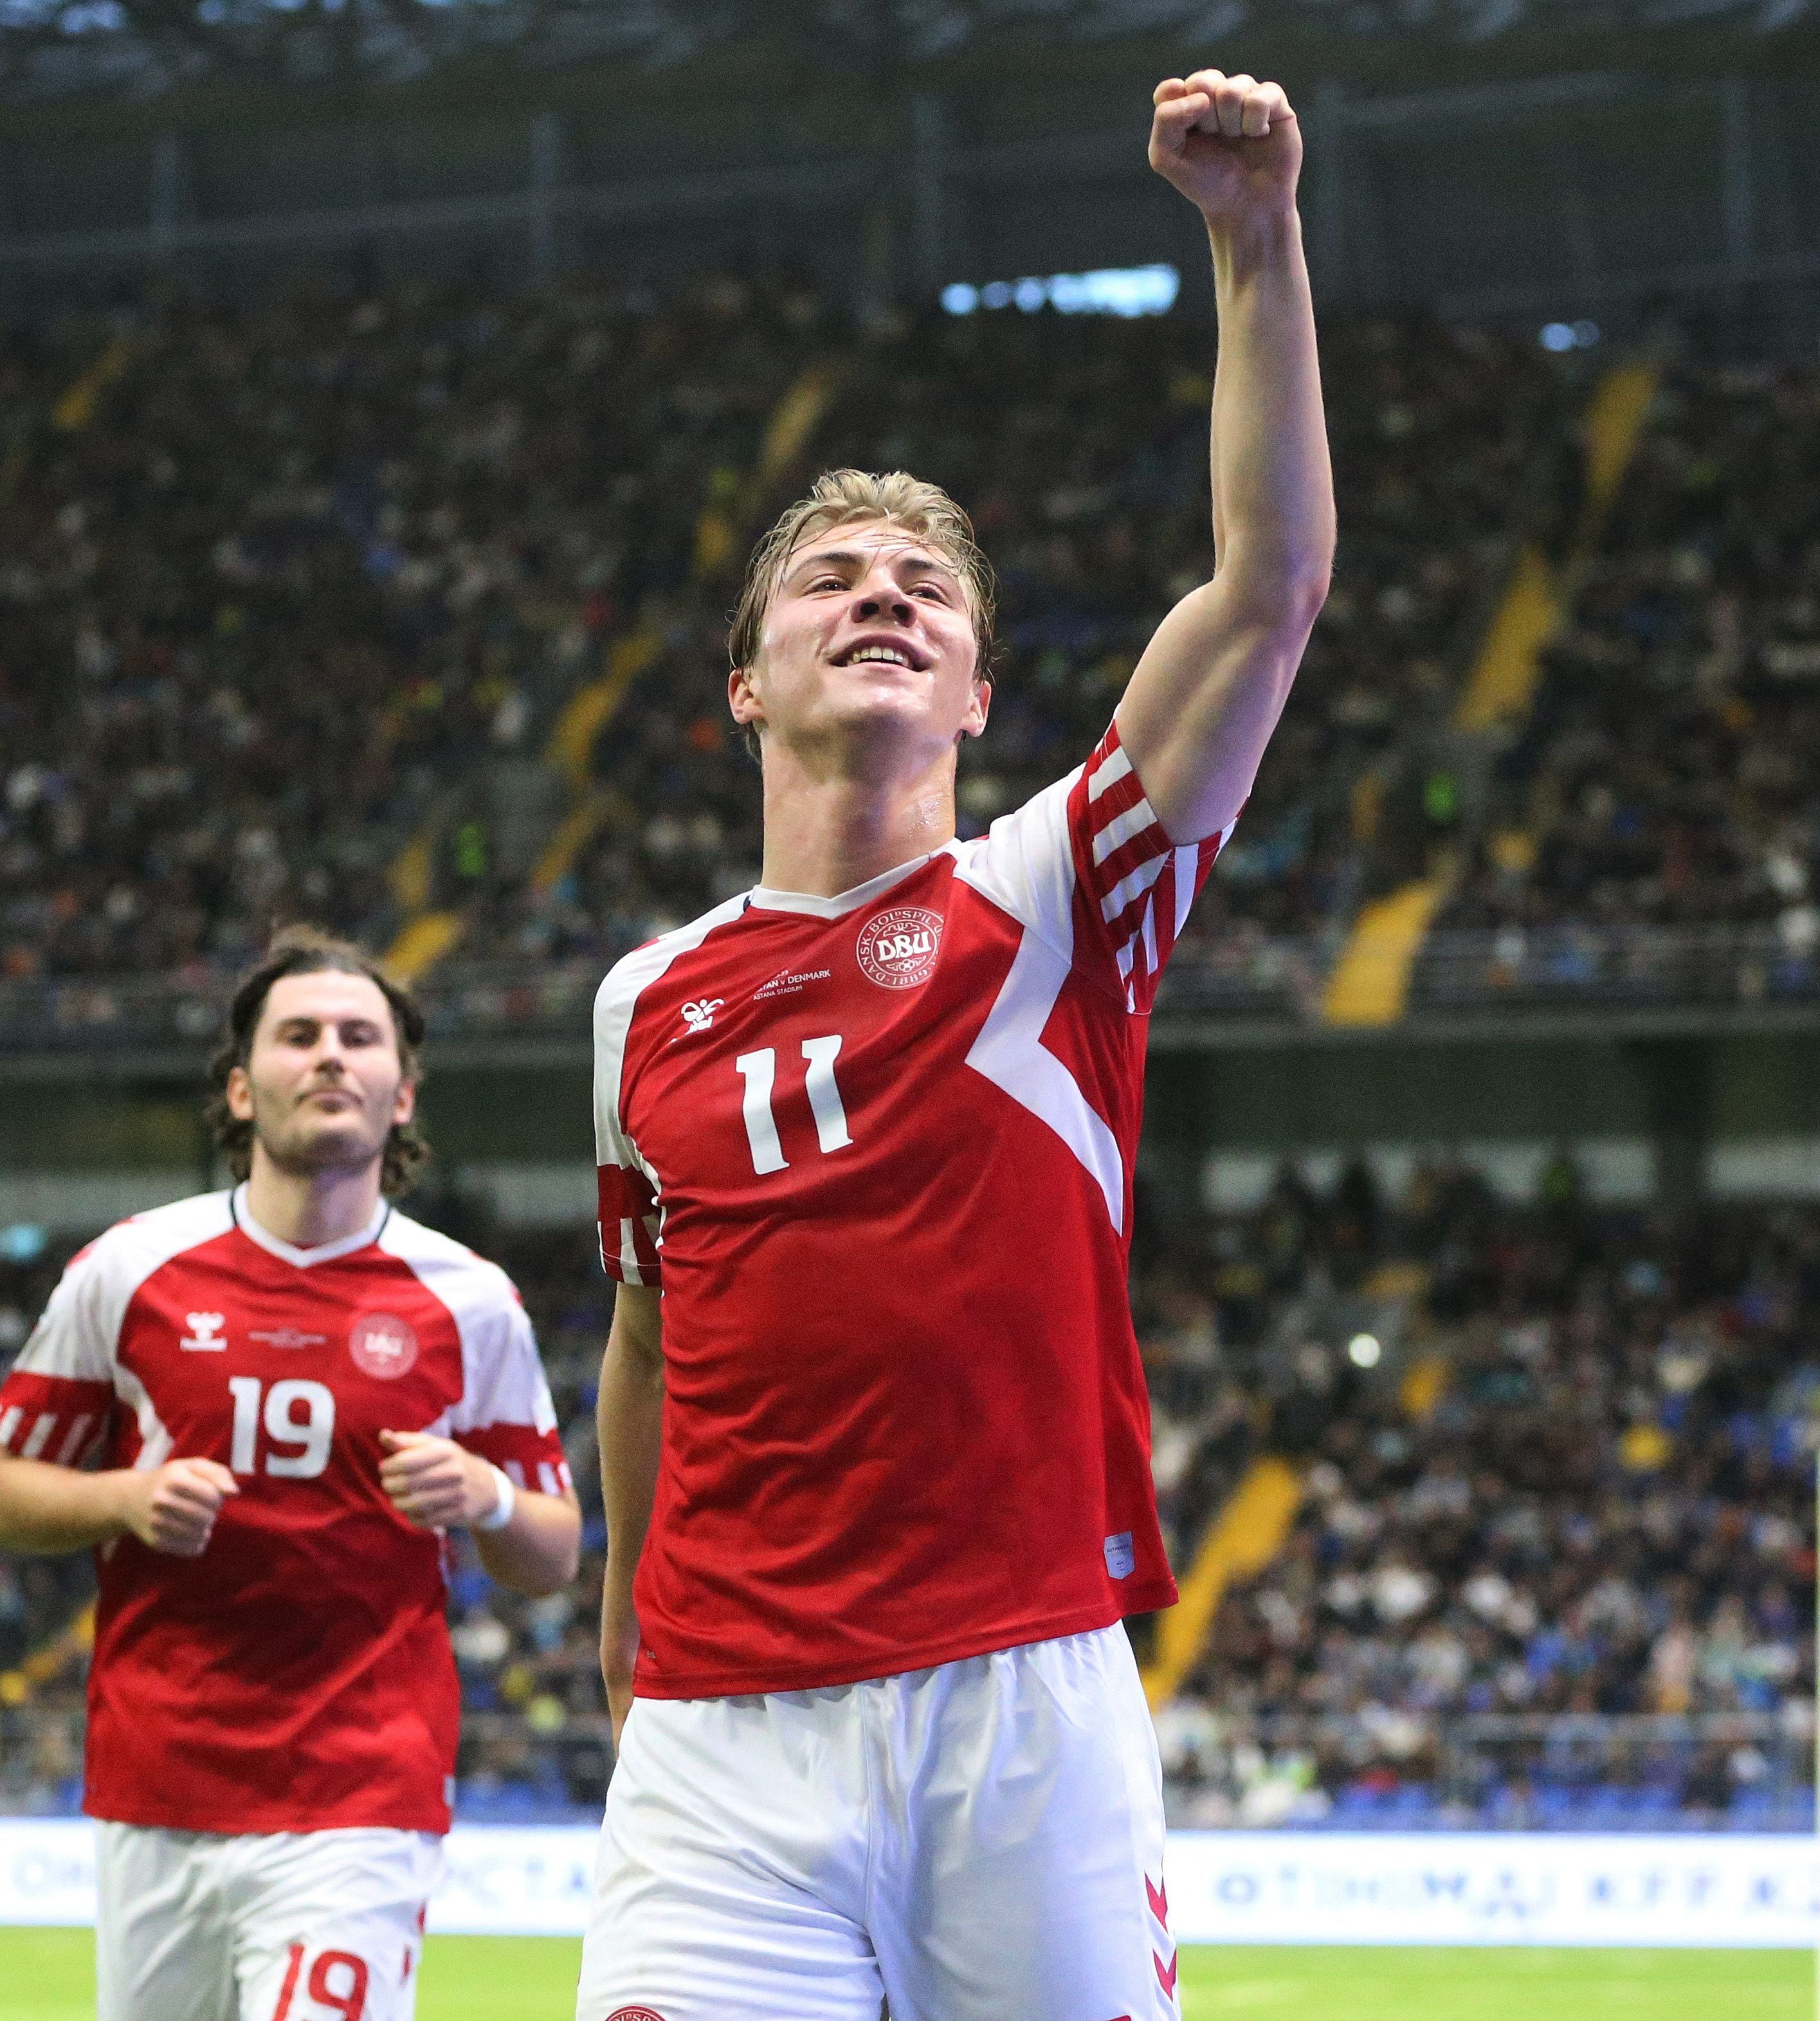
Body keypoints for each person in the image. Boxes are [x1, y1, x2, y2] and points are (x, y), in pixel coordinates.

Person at [578, 68, 1333, 2021]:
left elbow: (1266, 594)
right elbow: (654, 1330)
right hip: (721, 1736)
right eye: (832, 580)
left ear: (984, 693)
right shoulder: (639, 1004)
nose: (883, 594)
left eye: (928, 588)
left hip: (1020, 1704)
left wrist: (1252, 242)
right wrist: (617, 1642)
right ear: (746, 685)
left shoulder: (1060, 892)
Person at [0, 927, 580, 2021]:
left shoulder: (469, 1298)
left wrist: (483, 1495)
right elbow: (5, 1494)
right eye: (298, 1037)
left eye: (361, 1038)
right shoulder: (128, 1270)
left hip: (363, 1785)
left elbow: (552, 1551)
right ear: (242, 1088)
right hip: (160, 1779)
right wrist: (123, 1496)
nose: (332, 1057)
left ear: (402, 1095)